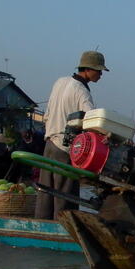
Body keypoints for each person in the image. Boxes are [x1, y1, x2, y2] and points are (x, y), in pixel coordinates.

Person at [35, 51, 109, 219]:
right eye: (99, 71)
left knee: (45, 192)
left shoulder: (60, 82)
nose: (101, 75)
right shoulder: (82, 92)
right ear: (89, 70)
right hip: (66, 149)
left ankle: (42, 227)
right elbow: (92, 123)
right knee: (65, 197)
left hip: (49, 145)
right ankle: (64, 231)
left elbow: (47, 114)